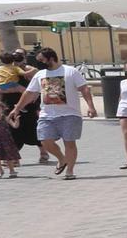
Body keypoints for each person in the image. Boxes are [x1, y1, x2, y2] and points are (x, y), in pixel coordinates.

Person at [11, 47, 96, 179]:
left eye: (41, 60)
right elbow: (29, 93)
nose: (38, 62)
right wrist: (17, 108)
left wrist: (91, 106)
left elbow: (84, 89)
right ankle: (62, 159)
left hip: (70, 114)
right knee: (45, 140)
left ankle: (70, 171)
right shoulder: (40, 75)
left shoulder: (70, 72)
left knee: (69, 142)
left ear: (51, 58)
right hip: (47, 115)